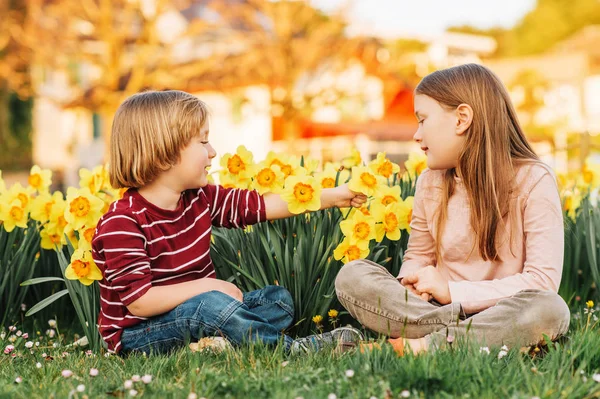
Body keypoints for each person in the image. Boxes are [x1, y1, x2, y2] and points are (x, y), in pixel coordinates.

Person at [92, 90, 366, 355]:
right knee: (211, 305)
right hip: (140, 335)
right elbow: (140, 302)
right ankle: (291, 350)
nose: (212, 152)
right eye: (202, 142)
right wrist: (209, 286)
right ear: (164, 154)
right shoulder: (122, 222)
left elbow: (263, 205)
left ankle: (217, 343)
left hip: (198, 311)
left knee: (276, 301)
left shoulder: (200, 198)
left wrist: (333, 197)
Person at [334, 63, 570, 355]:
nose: (416, 136)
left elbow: (541, 282)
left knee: (548, 308)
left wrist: (453, 292)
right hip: (433, 309)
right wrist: (411, 283)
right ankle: (473, 338)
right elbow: (419, 256)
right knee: (352, 275)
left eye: (423, 120)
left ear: (462, 119)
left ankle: (421, 345)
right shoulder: (430, 182)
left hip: (501, 308)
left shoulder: (534, 180)